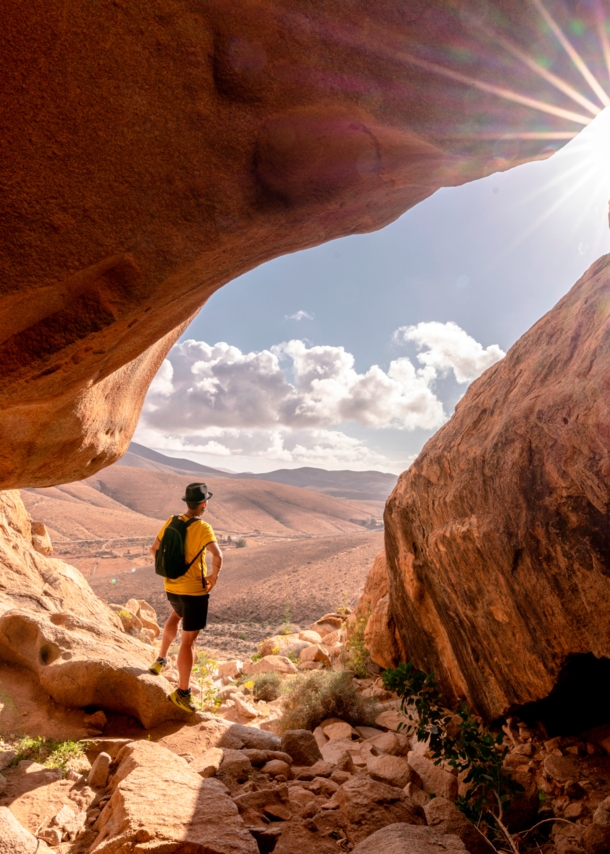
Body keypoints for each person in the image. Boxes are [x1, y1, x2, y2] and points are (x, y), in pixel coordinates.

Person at [149, 482, 223, 713]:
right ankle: (182, 693)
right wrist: (214, 576)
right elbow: (217, 555)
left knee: (175, 614)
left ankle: (160, 660)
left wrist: (172, 569)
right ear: (203, 504)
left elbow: (154, 549)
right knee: (188, 641)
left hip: (171, 586)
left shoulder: (172, 521)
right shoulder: (203, 527)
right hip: (194, 591)